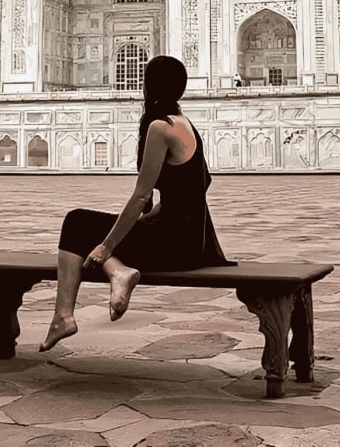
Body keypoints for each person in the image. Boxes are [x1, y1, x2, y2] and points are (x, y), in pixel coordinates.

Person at [41, 55, 231, 352]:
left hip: (175, 249)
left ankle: (64, 314)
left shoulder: (160, 127)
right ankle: (117, 271)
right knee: (92, 227)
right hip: (195, 244)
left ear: (150, 86)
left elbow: (141, 195)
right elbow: (200, 185)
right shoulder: (185, 124)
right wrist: (150, 219)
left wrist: (108, 246)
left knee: (76, 221)